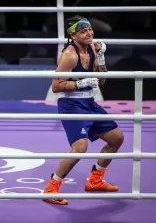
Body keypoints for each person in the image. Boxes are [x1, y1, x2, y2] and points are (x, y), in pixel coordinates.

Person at [43, 15, 124, 205]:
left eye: (89, 30)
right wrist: (80, 83)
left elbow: (101, 80)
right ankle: (51, 188)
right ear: (73, 36)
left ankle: (96, 180)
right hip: (71, 105)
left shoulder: (92, 50)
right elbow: (56, 86)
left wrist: (101, 56)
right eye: (83, 31)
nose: (89, 34)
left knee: (116, 139)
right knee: (80, 148)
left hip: (89, 103)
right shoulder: (69, 55)